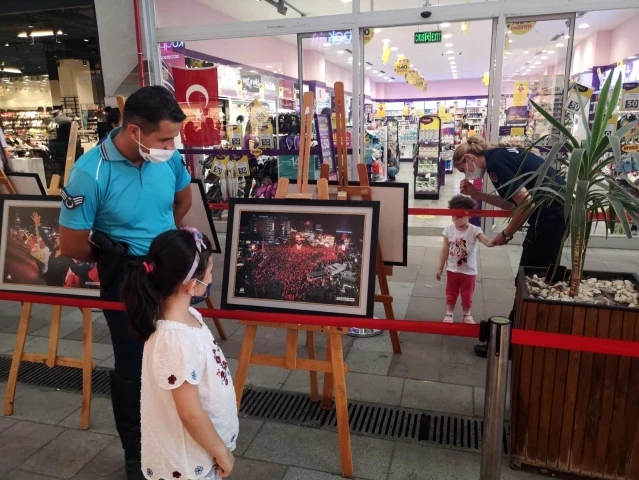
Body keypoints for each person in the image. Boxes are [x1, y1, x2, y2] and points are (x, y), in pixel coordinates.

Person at [58, 85, 192, 479]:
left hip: (170, 270)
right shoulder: (89, 172)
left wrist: (166, 239)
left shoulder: (168, 159)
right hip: (127, 278)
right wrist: (115, 259)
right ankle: (137, 453)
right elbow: (72, 244)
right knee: (133, 366)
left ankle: (183, 435)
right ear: (134, 131)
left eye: (174, 137)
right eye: (164, 138)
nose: (171, 145)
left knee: (181, 356)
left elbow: (182, 201)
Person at [123, 228, 237, 480]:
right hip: (190, 462)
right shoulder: (175, 339)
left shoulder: (189, 318)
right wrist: (222, 454)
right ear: (191, 284)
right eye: (209, 271)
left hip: (201, 450)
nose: (211, 277)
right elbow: (190, 413)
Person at [452, 136, 566, 357]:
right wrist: (476, 195)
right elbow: (510, 202)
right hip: (553, 213)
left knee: (531, 277)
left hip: (550, 216)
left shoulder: (496, 163)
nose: (466, 174)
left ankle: (515, 342)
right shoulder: (500, 156)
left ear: (469, 157)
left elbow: (526, 203)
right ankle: (521, 336)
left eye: (463, 168)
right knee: (533, 275)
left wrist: (505, 234)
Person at [436, 194, 494, 324]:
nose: (456, 219)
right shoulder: (448, 230)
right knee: (451, 293)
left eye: (460, 216)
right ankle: (449, 314)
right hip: (452, 269)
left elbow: (486, 241)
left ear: (469, 214)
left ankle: (466, 314)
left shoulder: (474, 230)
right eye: (454, 216)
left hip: (469, 271)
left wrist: (494, 241)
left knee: (467, 295)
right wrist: (440, 267)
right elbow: (444, 250)